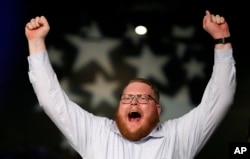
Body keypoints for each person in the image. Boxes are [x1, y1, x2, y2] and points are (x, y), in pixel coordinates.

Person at [25, 10, 236, 159]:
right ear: (119, 106)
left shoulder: (178, 136)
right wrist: (35, 42)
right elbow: (51, 99)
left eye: (144, 98)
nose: (133, 101)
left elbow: (220, 100)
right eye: (127, 97)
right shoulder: (95, 133)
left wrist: (222, 40)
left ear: (157, 109)